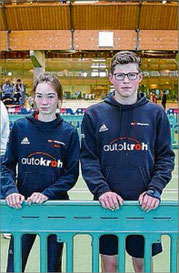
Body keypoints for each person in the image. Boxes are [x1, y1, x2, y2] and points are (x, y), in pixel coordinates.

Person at [80, 51, 175, 272]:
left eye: (131, 75)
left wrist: (154, 190)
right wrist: (102, 191)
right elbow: (89, 159)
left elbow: (165, 157)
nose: (126, 81)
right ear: (111, 78)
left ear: (140, 77)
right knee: (110, 265)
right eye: (120, 75)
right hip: (107, 204)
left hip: (144, 206)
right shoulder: (94, 114)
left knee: (142, 266)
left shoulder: (155, 113)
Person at [2, 72, 80, 272]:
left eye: (50, 96)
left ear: (59, 100)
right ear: (33, 98)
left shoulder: (69, 133)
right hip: (24, 209)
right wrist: (11, 191)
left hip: (55, 210)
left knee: (52, 267)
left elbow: (71, 175)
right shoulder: (20, 127)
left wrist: (47, 194)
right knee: (14, 266)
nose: (44, 102)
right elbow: (7, 165)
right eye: (39, 96)